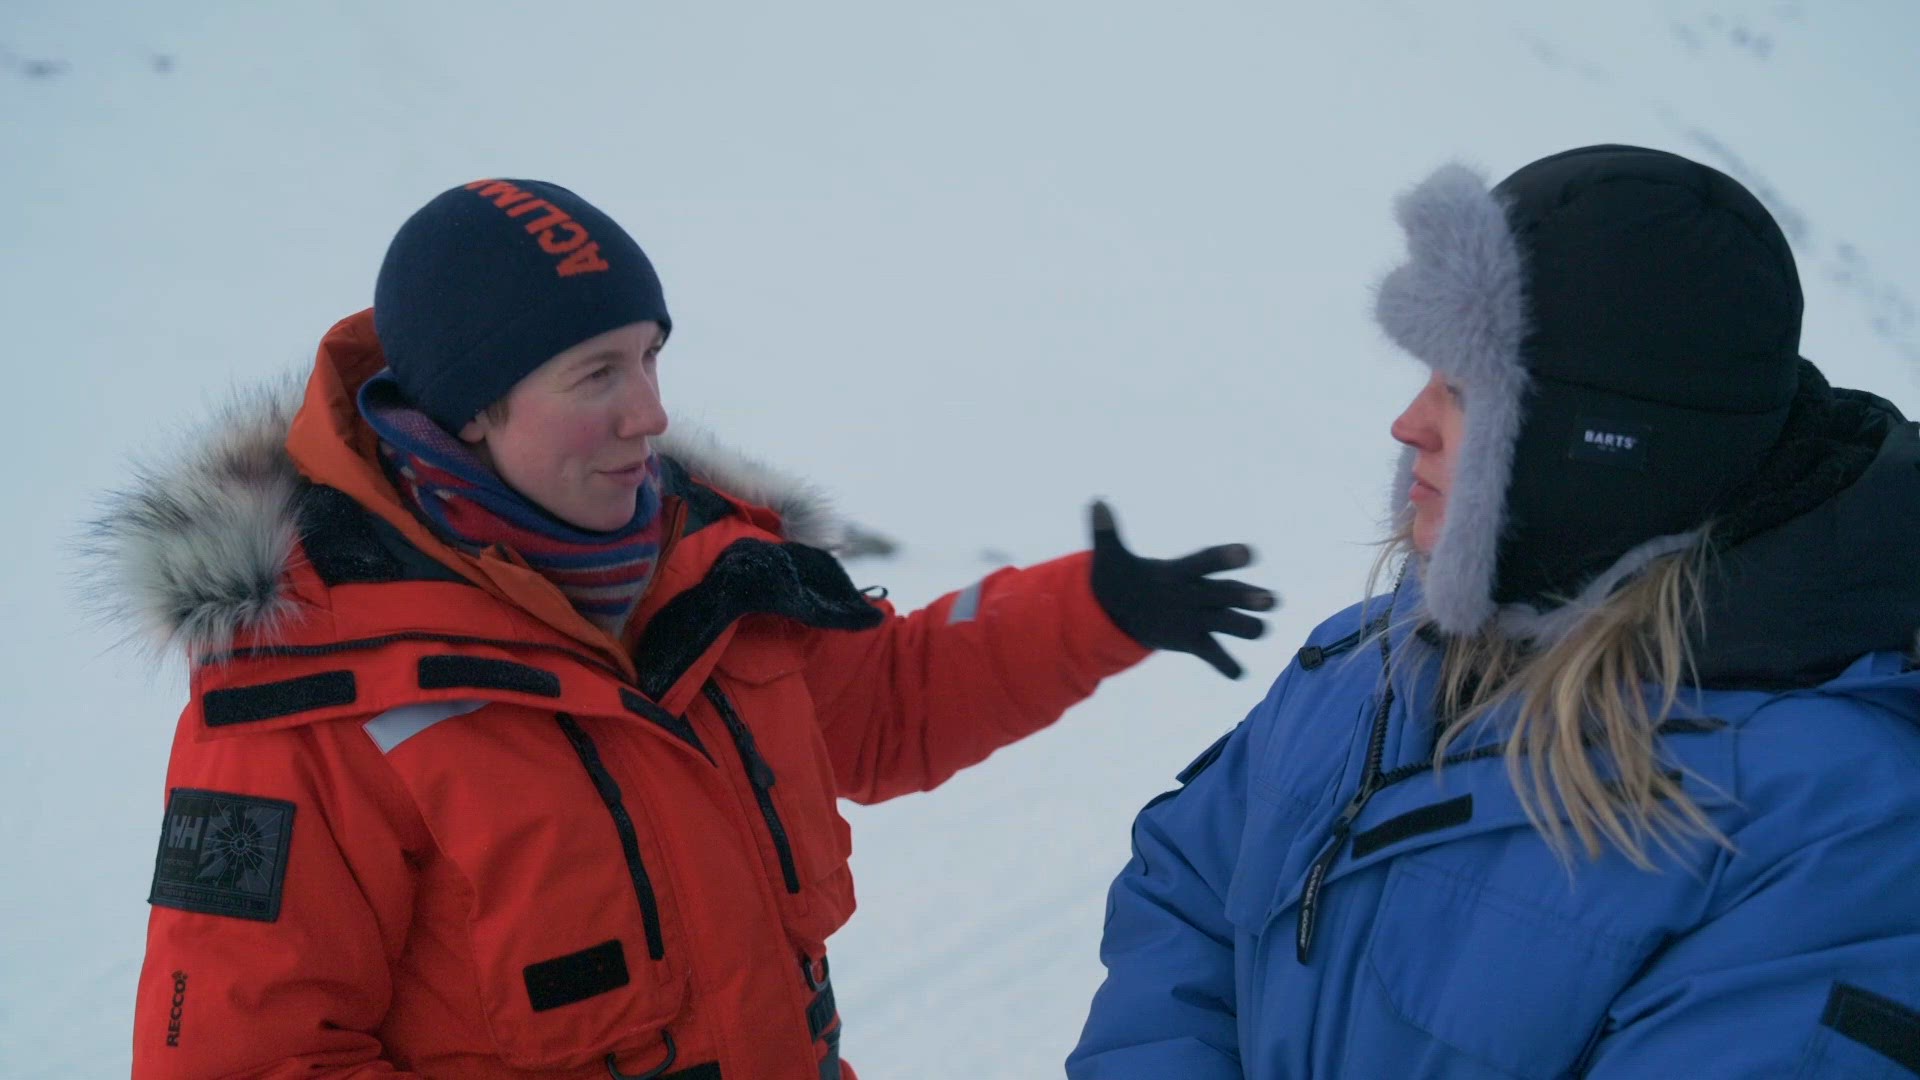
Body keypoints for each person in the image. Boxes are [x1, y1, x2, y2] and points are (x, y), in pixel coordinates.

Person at [95, 178, 1275, 1079]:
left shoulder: (711, 575)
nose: (650, 415)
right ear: (467, 412)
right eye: (597, 373)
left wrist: (1091, 609)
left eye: (653, 358)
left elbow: (886, 706)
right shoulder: (303, 702)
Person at [1068, 145, 1920, 1078]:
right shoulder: (1371, 660)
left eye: (1465, 390)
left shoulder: (1835, 825)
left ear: (1604, 448)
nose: (1408, 423)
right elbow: (1184, 892)